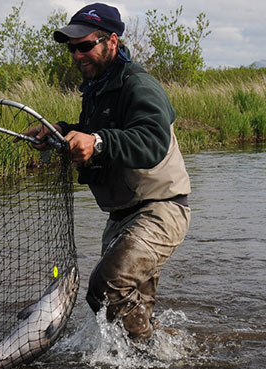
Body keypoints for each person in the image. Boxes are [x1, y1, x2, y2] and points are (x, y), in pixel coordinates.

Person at [25, 3, 191, 340]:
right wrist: (59, 132)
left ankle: (146, 360)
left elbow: (151, 140)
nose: (76, 55)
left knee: (107, 284)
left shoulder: (138, 85)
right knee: (131, 304)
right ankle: (156, 365)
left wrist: (97, 142)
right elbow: (98, 132)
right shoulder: (98, 88)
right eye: (72, 48)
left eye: (84, 46)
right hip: (122, 217)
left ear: (111, 42)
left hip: (160, 210)